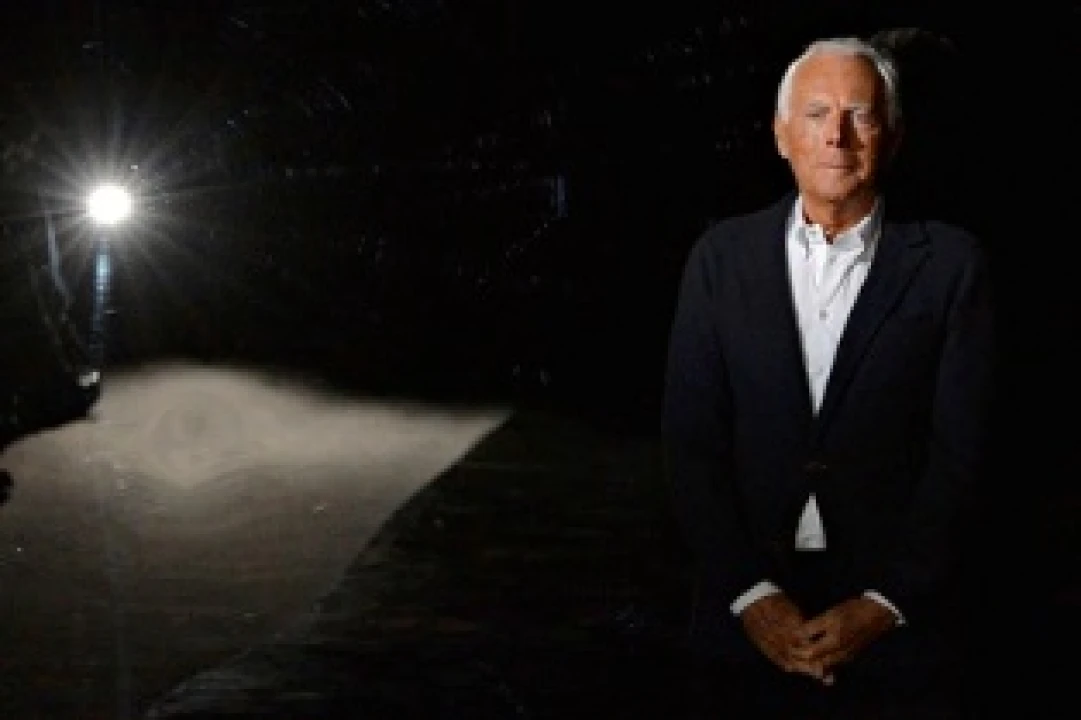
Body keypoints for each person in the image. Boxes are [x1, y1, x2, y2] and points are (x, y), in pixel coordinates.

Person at [661, 36, 994, 718]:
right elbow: (691, 445)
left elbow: (965, 452)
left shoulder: (951, 266)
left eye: (859, 115)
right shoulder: (720, 259)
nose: (836, 136)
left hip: (900, 635)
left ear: (891, 137)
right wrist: (752, 597)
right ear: (781, 135)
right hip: (741, 627)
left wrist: (884, 603)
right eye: (815, 114)